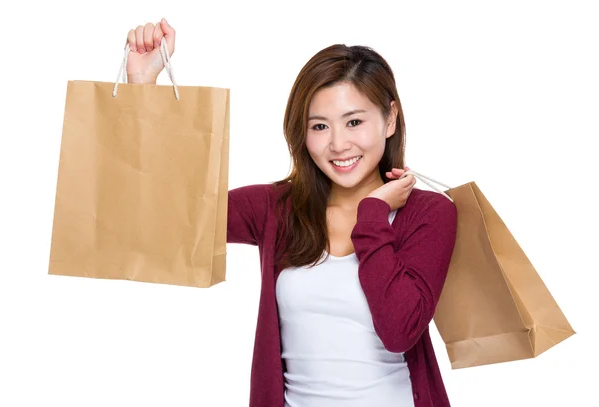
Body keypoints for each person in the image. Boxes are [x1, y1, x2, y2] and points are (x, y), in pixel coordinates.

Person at [125, 18, 458, 407]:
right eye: (319, 126)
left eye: (354, 121)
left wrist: (372, 214)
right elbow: (175, 211)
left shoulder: (430, 213)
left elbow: (400, 330)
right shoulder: (276, 208)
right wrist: (142, 90)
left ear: (390, 119)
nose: (337, 144)